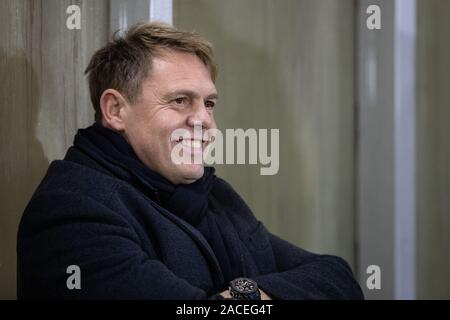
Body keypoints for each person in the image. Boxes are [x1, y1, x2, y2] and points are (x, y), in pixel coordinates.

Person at [17, 22, 363, 300]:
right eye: (181, 100)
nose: (206, 122)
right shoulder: (71, 211)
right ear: (115, 109)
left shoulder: (213, 197)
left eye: (209, 103)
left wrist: (247, 294)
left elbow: (336, 277)